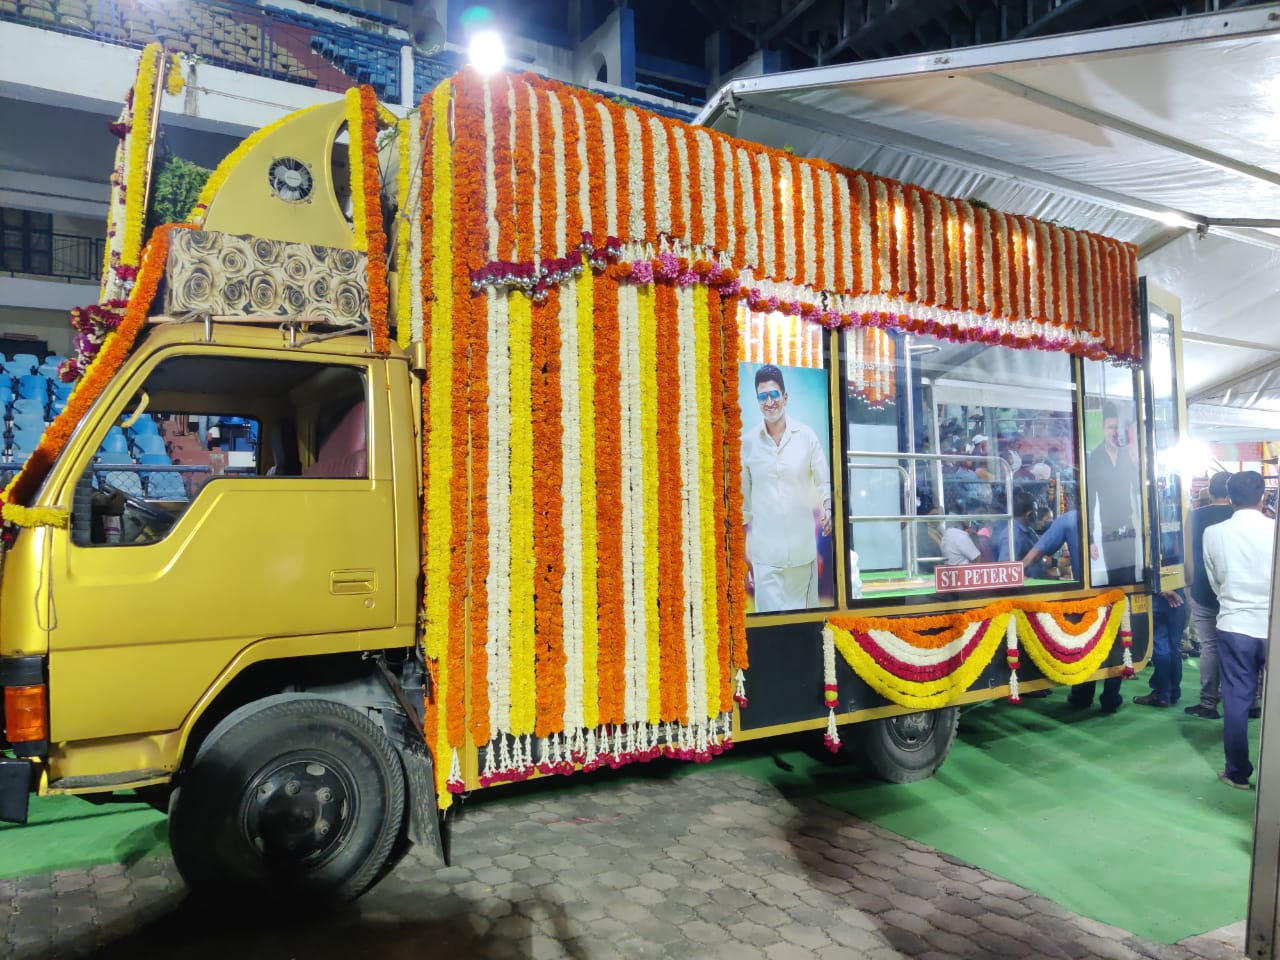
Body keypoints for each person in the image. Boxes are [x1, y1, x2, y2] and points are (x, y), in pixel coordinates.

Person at [740, 364, 833, 613]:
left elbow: (823, 483)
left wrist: (827, 508)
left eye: (774, 395)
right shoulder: (747, 444)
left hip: (803, 554)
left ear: (785, 397)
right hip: (766, 558)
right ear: (757, 400)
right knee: (771, 632)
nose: (769, 402)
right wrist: (743, 558)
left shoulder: (807, 436)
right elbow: (743, 507)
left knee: (806, 626)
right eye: (762, 397)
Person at [1203, 471, 1275, 789]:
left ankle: (1237, 773)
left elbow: (1214, 580)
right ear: (1263, 497)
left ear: (1229, 498)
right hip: (1272, 623)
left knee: (1236, 700)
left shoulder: (1214, 533)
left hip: (1234, 624)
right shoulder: (1274, 530)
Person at [1185, 471, 1234, 719]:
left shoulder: (1194, 517)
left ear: (1210, 492)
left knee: (1209, 647)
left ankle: (1208, 702)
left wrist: (1188, 585)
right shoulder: (1241, 516)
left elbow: (1185, 555)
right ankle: (1249, 701)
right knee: (1237, 647)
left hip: (1203, 590)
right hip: (1234, 592)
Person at [1087, 401, 1141, 585]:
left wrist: (1137, 463)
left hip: (1129, 529)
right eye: (1110, 427)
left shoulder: (1128, 455)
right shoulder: (1095, 457)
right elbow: (1089, 500)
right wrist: (1090, 538)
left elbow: (1139, 488)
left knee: (1131, 579)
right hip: (1108, 531)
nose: (1114, 432)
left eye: (1117, 427)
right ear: (1103, 428)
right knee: (1115, 584)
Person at [1133, 589, 1188, 707]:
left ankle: (1162, 694)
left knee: (1161, 647)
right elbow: (1189, 577)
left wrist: (1161, 590)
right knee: (1174, 649)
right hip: (1179, 599)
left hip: (1157, 600)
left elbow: (1146, 572)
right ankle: (1173, 692)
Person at [991, 490, 1041, 574]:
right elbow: (1005, 567)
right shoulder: (1012, 535)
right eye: (1035, 511)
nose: (1037, 514)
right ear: (1029, 514)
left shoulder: (1028, 530)